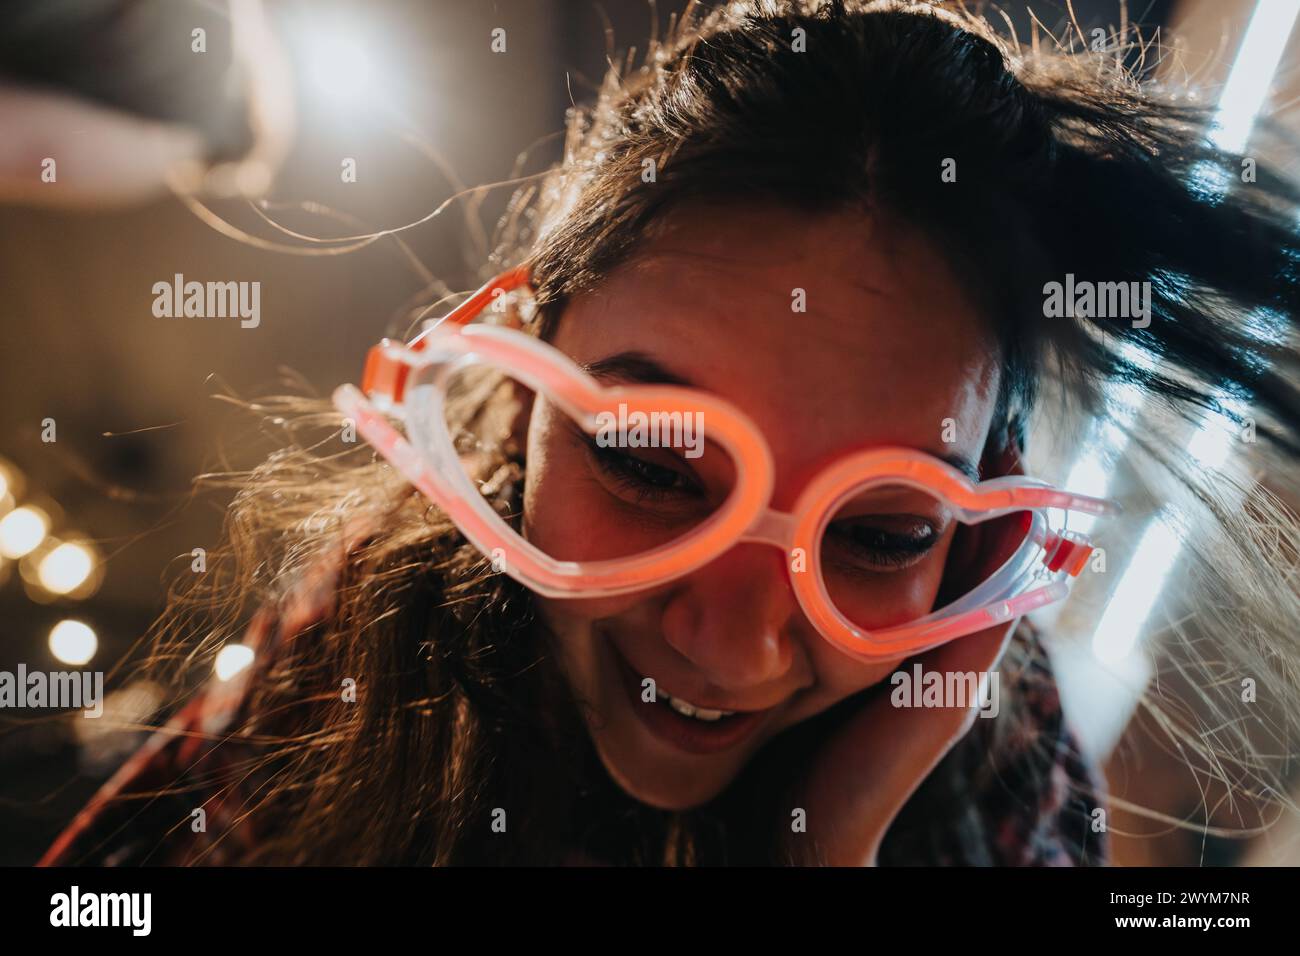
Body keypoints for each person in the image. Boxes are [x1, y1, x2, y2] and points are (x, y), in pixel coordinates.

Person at [42, 0, 1300, 866]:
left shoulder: (1003, 752)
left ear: (985, 522)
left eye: (880, 530)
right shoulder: (375, 626)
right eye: (648, 462)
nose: (735, 649)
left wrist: (837, 840)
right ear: (524, 387)